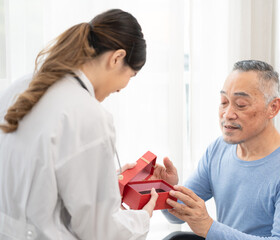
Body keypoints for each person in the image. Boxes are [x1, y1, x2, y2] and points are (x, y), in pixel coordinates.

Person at [0, 9, 161, 240]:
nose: (122, 88)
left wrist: (103, 181)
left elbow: (38, 179)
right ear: (117, 58)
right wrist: (141, 218)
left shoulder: (20, 88)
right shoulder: (89, 116)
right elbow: (99, 231)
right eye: (131, 76)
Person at [160, 60, 280, 240]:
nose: (227, 114)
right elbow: (175, 215)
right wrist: (164, 189)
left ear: (273, 108)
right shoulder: (218, 150)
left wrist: (208, 227)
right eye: (223, 102)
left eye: (241, 104)